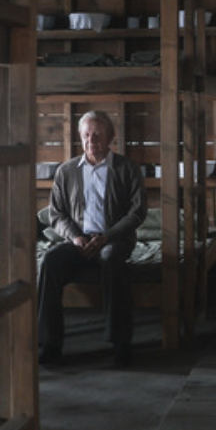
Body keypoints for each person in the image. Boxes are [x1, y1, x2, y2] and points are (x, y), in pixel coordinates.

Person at [38, 110, 147, 368]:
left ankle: (121, 343)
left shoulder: (127, 168)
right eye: (86, 135)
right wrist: (75, 237)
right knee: (50, 261)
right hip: (79, 241)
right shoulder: (66, 171)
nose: (92, 141)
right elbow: (56, 213)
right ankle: (50, 343)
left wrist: (108, 237)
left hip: (114, 240)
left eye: (98, 135)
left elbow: (138, 211)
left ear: (111, 137)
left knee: (111, 259)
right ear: (80, 137)